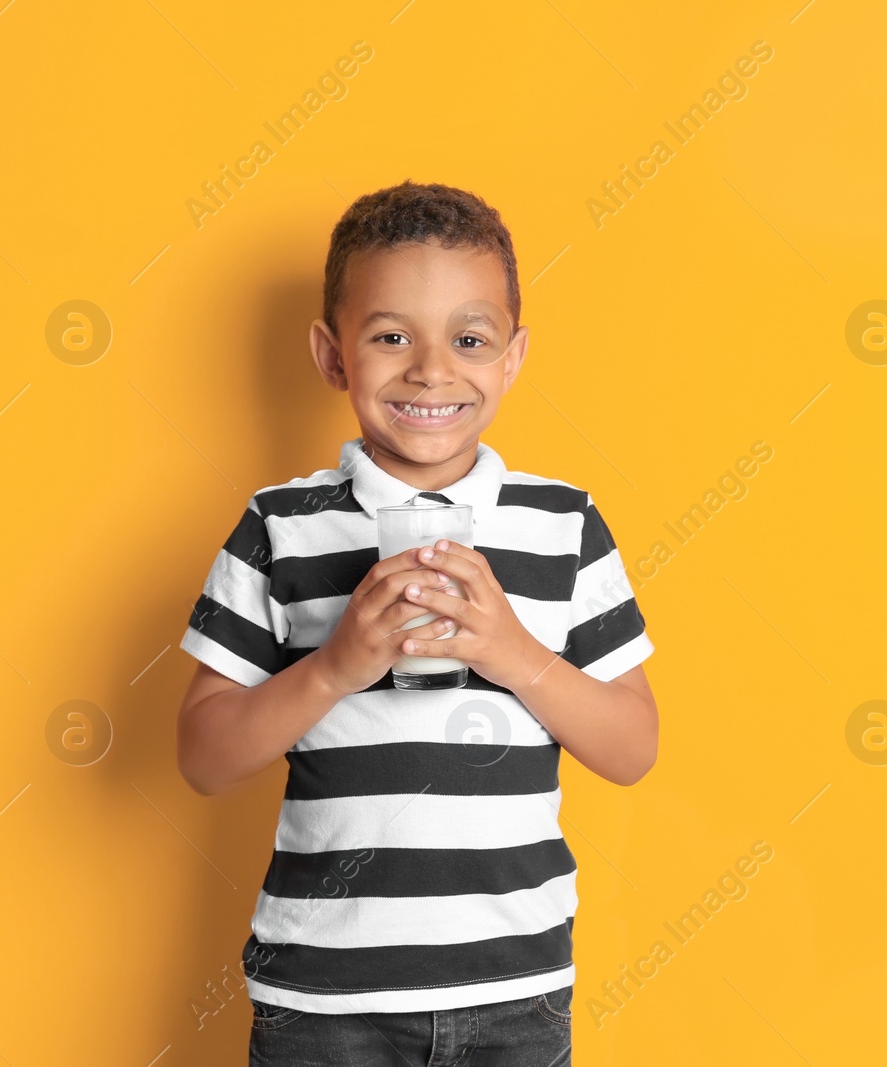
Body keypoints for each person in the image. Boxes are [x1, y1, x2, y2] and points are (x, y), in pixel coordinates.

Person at [175, 181, 659, 1065]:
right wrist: (334, 667)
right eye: (390, 336)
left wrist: (514, 653)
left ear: (511, 359)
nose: (431, 370)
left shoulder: (564, 523)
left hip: (514, 990)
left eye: (468, 339)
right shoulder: (280, 525)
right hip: (323, 997)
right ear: (332, 356)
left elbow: (632, 747)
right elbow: (204, 756)